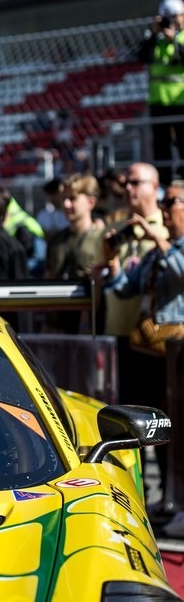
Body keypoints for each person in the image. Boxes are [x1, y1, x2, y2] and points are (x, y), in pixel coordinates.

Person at [102, 179, 184, 510]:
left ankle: (175, 498)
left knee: (176, 424)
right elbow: (126, 289)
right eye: (164, 203)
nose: (164, 209)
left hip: (178, 354)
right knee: (151, 421)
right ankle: (158, 497)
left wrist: (160, 241)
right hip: (149, 350)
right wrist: (112, 262)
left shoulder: (167, 248)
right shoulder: (155, 253)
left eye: (172, 202)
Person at [42, 173, 105, 333]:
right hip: (57, 324)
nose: (66, 204)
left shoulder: (102, 239)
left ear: (91, 202)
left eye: (72, 198)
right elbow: (48, 277)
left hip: (91, 325)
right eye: (64, 198)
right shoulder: (56, 239)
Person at [138, 0, 184, 184]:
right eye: (168, 17)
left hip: (181, 100)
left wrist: (174, 40)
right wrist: (153, 33)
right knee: (160, 143)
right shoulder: (154, 38)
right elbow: (141, 57)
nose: (172, 21)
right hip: (158, 99)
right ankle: (163, 180)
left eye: (175, 16)